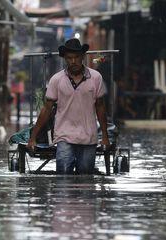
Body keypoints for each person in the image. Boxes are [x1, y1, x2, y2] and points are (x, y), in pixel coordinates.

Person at [27, 38, 110, 174]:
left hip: (88, 137)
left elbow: (100, 107)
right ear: (65, 59)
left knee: (85, 177)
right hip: (64, 136)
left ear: (82, 57)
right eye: (69, 58)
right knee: (63, 176)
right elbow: (47, 109)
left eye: (76, 57)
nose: (73, 61)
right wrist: (33, 138)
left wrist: (105, 137)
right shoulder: (57, 79)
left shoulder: (96, 78)